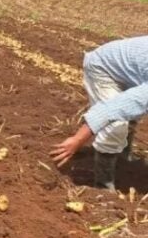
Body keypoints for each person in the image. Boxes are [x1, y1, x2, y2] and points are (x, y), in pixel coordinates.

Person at [51, 36, 148, 190]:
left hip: (131, 70)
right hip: (103, 67)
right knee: (116, 126)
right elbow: (112, 109)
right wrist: (77, 140)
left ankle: (124, 160)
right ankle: (103, 184)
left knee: (134, 110)